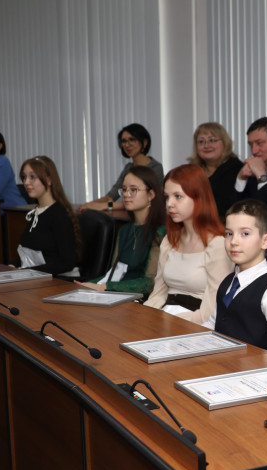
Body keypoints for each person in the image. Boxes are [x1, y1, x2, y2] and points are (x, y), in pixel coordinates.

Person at [204, 199, 267, 362]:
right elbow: (213, 324)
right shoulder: (228, 281)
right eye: (229, 233)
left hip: (252, 372)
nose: (234, 241)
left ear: (265, 241)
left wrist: (257, 366)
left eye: (245, 234)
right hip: (220, 364)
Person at [144, 164, 234, 324]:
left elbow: (212, 310)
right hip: (167, 317)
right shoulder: (169, 240)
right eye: (167, 197)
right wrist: (143, 317)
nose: (169, 204)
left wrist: (170, 321)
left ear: (199, 198)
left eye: (178, 196)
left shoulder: (218, 245)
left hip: (196, 324)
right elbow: (158, 294)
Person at [74, 166, 166, 299]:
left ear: (151, 195)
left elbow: (150, 283)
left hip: (144, 301)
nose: (126, 195)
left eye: (133, 190)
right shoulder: (124, 230)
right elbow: (113, 274)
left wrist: (104, 287)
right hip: (117, 295)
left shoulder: (160, 231)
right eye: (124, 189)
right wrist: (86, 285)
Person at [16, 156, 82, 275]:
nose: (26, 182)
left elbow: (67, 263)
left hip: (59, 279)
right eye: (24, 177)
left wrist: (27, 272)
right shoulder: (36, 212)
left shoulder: (59, 214)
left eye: (32, 177)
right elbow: (31, 254)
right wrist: (13, 266)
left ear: (49, 180)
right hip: (38, 276)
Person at [78, 123, 164, 212]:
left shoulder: (155, 167)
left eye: (132, 139)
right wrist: (88, 205)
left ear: (145, 142)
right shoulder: (128, 168)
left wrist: (106, 205)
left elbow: (144, 201)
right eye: (124, 141)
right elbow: (110, 197)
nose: (127, 144)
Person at [188, 122, 243, 217]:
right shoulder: (191, 172)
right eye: (201, 141)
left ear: (225, 143)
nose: (206, 145)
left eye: (212, 140)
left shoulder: (237, 170)